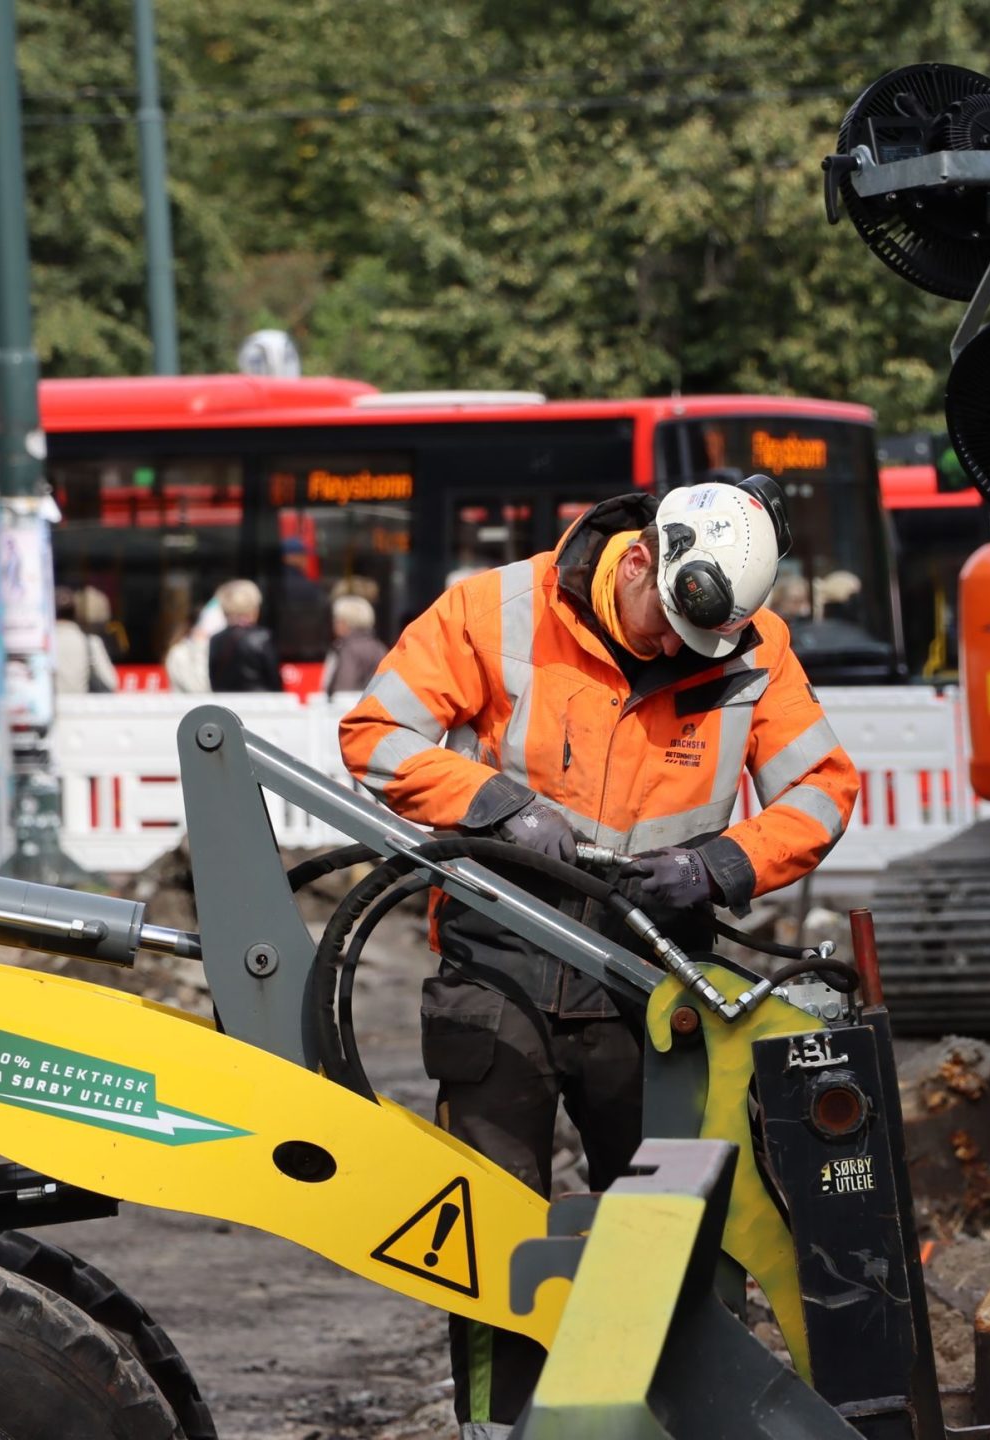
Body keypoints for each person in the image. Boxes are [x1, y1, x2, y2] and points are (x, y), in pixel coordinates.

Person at [339, 477, 859, 1438]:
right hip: (505, 968)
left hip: (656, 981)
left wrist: (718, 865)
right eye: (664, 628)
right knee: (494, 1237)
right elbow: (376, 735)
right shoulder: (497, 609)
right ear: (636, 561)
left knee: (683, 1233)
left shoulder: (751, 645)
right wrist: (493, 805)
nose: (671, 654)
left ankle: (684, 1422)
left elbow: (821, 792)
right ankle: (504, 1432)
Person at [206, 579, 284, 693]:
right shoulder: (262, 637)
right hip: (261, 705)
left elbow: (214, 682)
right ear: (253, 608)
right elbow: (274, 681)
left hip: (226, 705)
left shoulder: (215, 639)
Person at [320, 593, 388, 698]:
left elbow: (344, 690)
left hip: (352, 709)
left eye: (337, 620)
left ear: (346, 623)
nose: (334, 624)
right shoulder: (379, 647)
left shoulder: (348, 649)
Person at [53, 585, 118, 694]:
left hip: (48, 709)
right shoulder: (91, 642)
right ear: (75, 613)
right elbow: (112, 683)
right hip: (81, 708)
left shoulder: (39, 645)